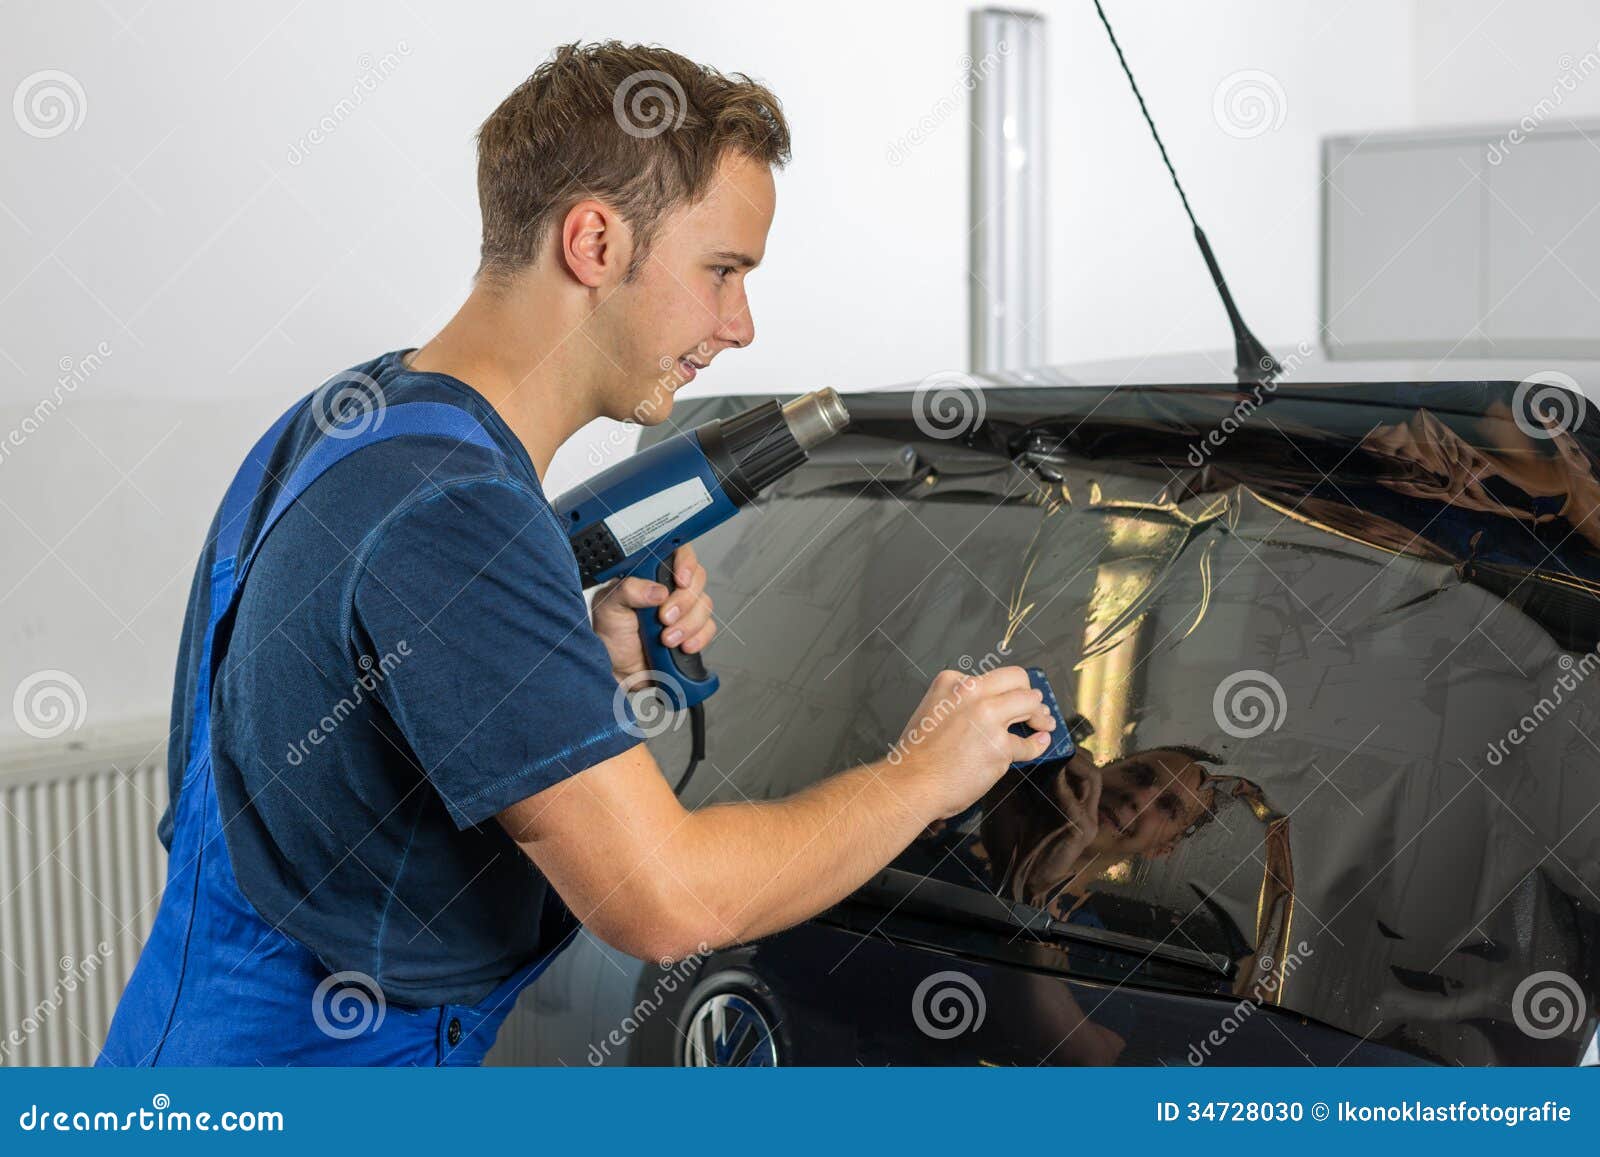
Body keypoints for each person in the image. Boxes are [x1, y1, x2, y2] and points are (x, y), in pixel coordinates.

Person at [97, 40, 1056, 1067]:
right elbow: (670, 901)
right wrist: (922, 776)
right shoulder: (453, 516)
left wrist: (561, 655)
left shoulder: (353, 415)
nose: (739, 324)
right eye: (722, 271)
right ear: (593, 241)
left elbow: (349, 726)